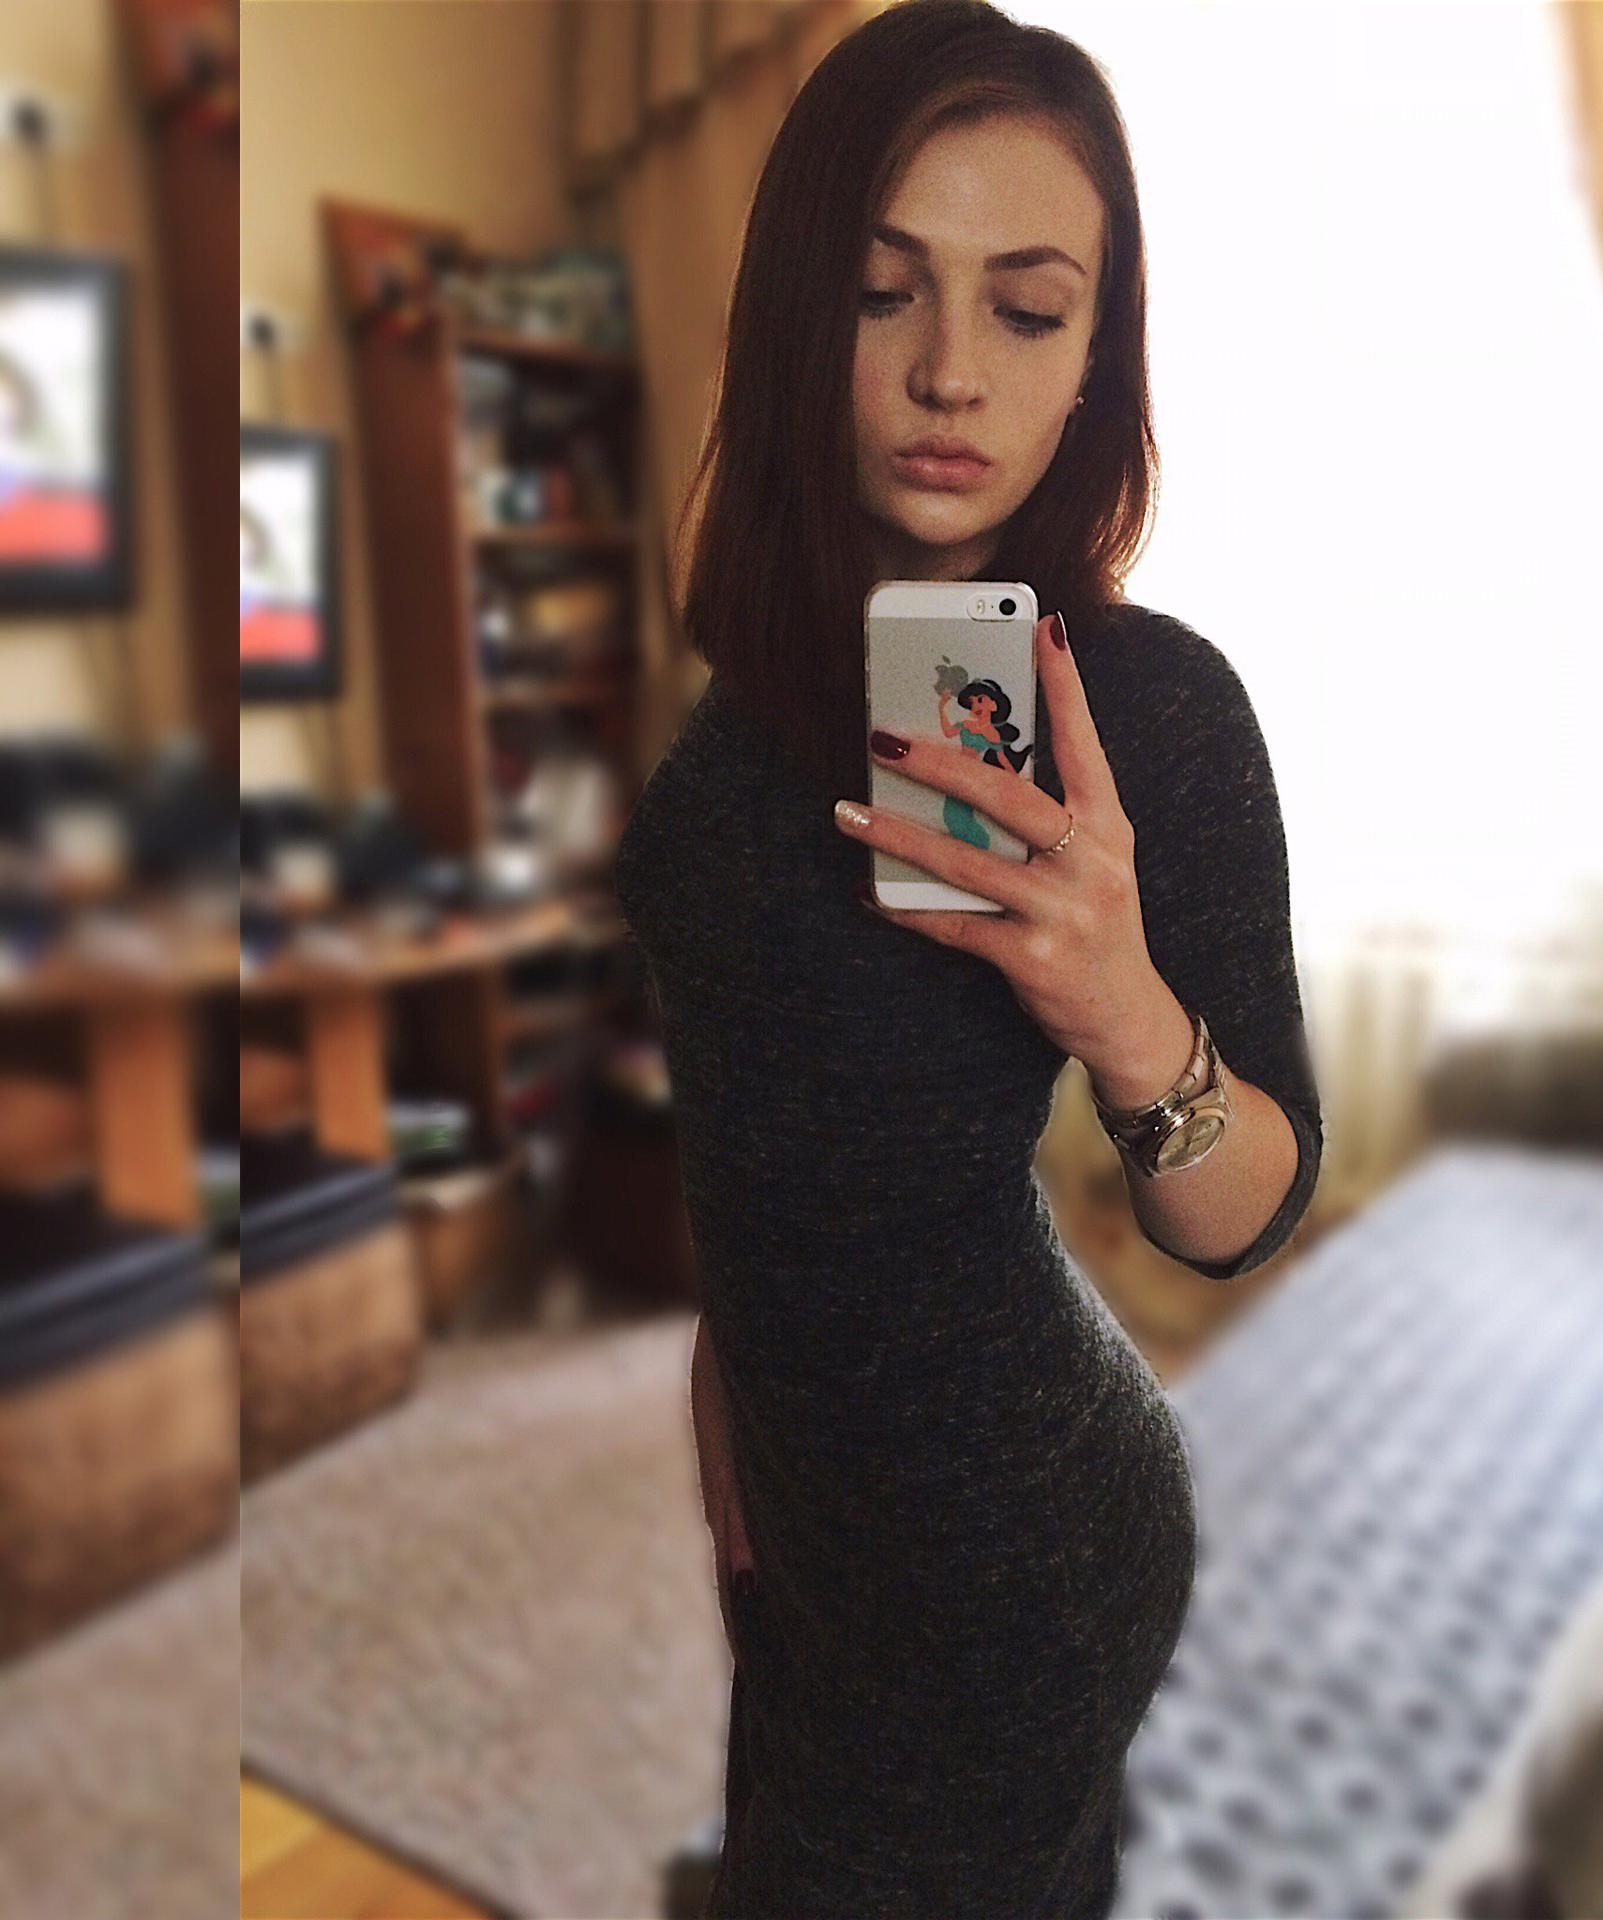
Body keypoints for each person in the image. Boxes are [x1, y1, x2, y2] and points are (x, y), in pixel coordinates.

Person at [616, 2, 1324, 1911]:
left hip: (1016, 1560)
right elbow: (755, 1127)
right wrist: (732, 1410)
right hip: (811, 1535)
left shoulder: (1149, 711)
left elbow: (1250, 1210)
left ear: (1096, 356)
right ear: (796, 315)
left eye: (1028, 310)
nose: (948, 372)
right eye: (880, 292)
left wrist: (1128, 1015)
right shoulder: (757, 696)